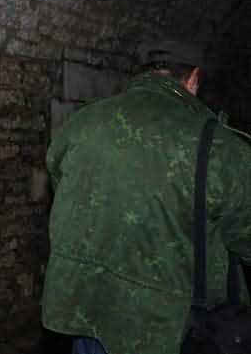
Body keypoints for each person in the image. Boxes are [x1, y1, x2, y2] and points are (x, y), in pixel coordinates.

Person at [41, 39, 251, 354]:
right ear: (193, 78)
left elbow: (62, 185)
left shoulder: (83, 122)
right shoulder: (221, 146)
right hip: (168, 326)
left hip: (86, 307)